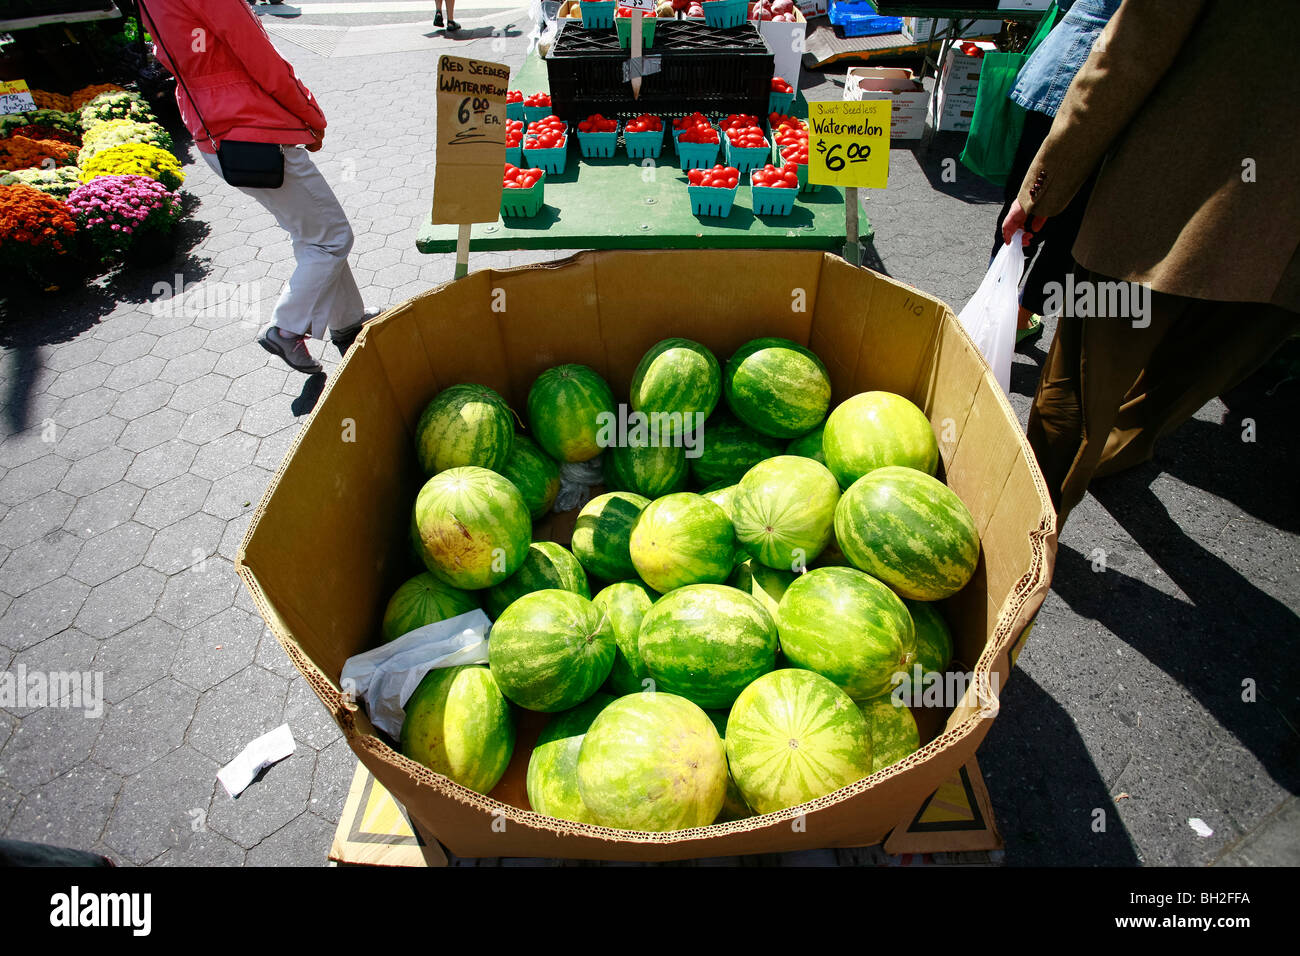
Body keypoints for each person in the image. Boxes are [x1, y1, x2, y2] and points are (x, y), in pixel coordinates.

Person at [1000, 0, 1299, 528]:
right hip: (1281, 246)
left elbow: (1127, 54)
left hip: (1169, 211)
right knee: (1195, 370)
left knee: (1076, 390)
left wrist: (1045, 185)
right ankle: (1118, 454)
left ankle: (1024, 535)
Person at [138, 0, 376, 374]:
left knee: (313, 234)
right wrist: (310, 114)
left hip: (215, 131)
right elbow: (259, 56)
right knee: (332, 238)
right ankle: (286, 328)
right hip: (253, 130)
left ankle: (348, 322)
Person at [989, 0, 1120, 345]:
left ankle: (995, 315)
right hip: (1110, 93)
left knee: (1021, 216)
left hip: (1065, 70)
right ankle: (1014, 318)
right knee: (1070, 230)